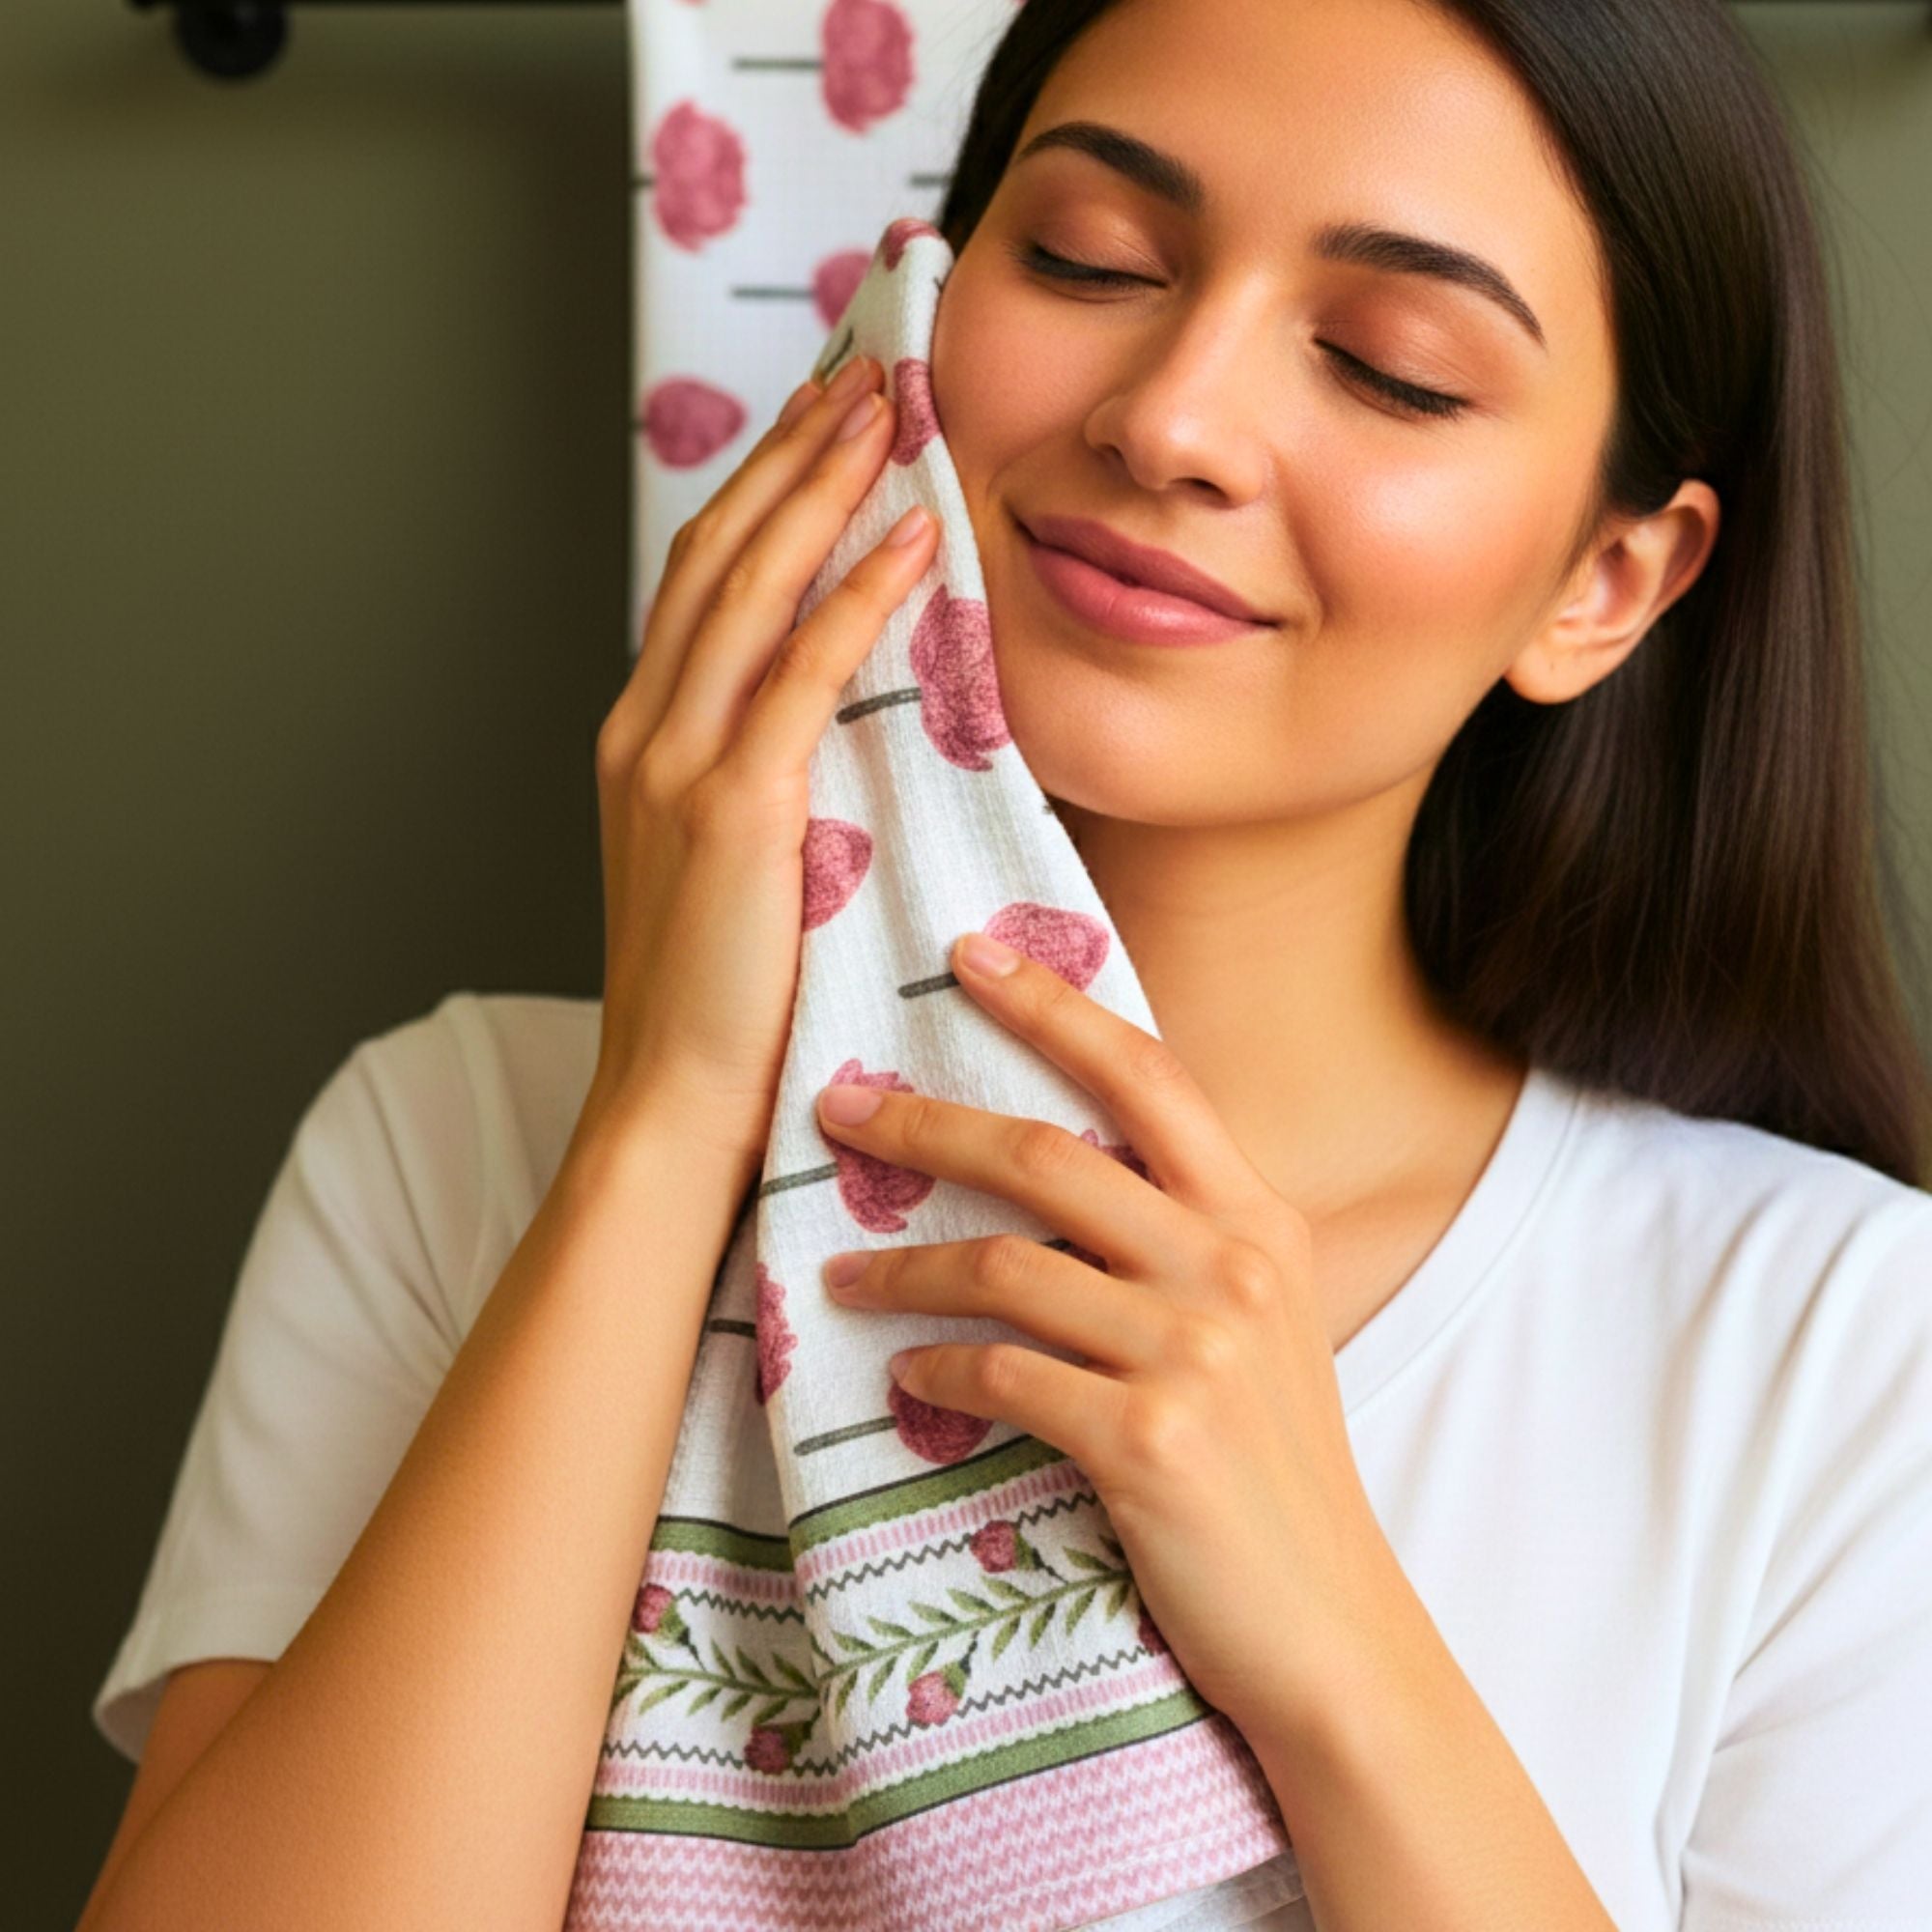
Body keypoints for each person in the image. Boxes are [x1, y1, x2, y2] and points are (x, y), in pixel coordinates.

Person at [81, 1, 1932, 1928]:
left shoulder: (1838, 1357)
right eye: (1087, 260)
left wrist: (1333, 1640)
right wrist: (664, 1128)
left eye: (1390, 369)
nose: (1171, 417)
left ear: (1604, 582)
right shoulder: (454, 1145)